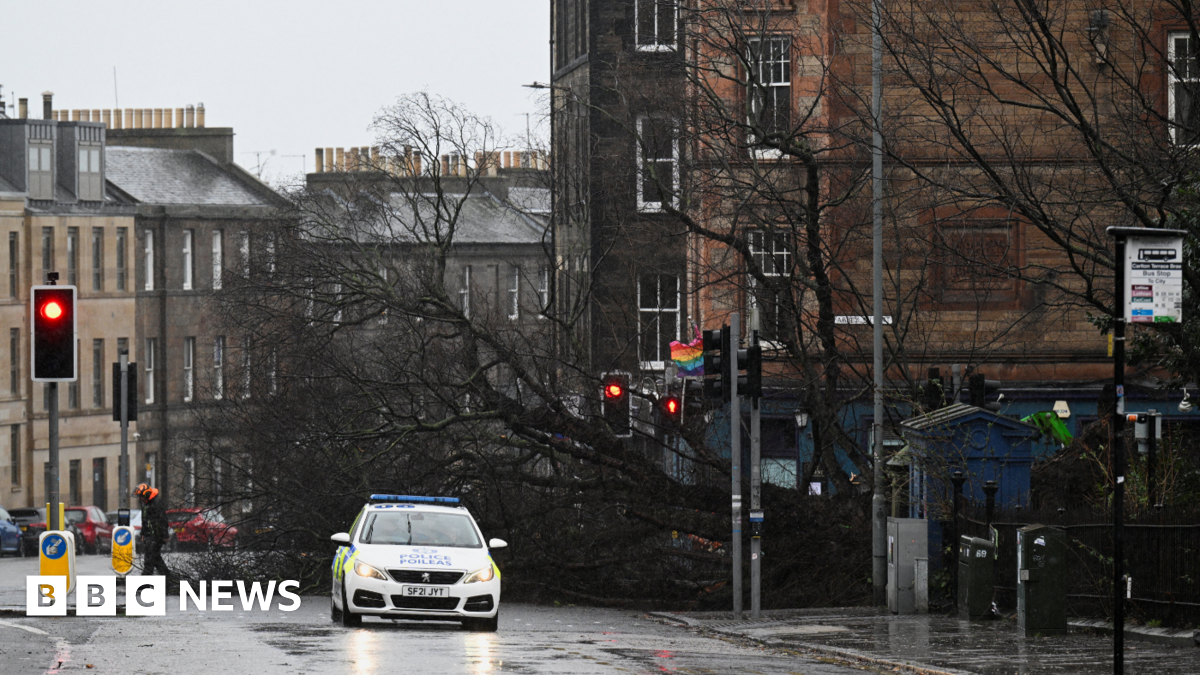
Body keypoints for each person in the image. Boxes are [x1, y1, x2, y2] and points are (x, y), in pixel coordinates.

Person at [134, 484, 170, 577]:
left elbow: (163, 520)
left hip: (156, 536)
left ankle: (145, 581)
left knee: (149, 560)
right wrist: (143, 533)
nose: (140, 499)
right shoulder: (145, 505)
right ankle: (168, 579)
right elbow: (145, 520)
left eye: (141, 496)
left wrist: (165, 535)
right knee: (156, 558)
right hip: (149, 536)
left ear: (146, 495)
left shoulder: (156, 503)